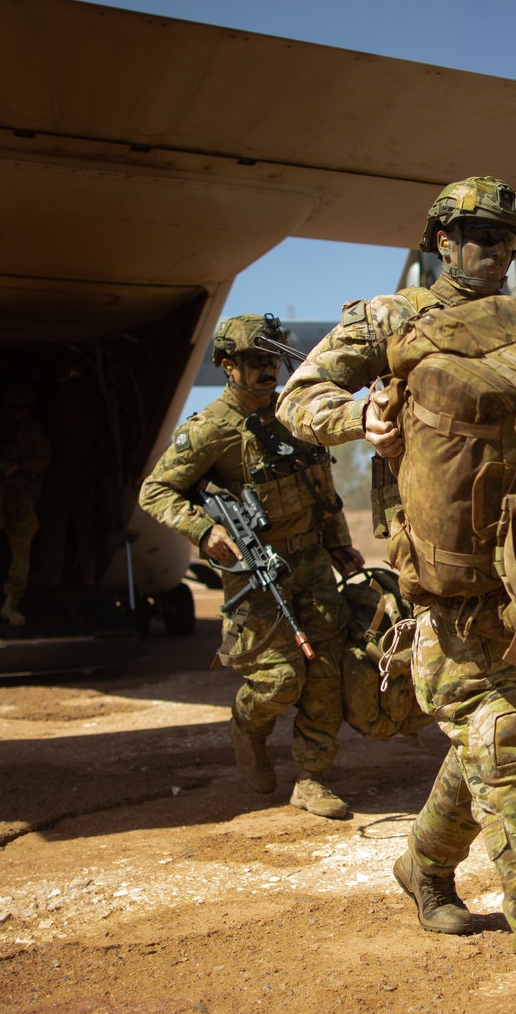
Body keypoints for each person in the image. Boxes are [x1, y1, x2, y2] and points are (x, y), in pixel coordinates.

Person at [277, 179, 516, 1014]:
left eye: (506, 237)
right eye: (474, 233)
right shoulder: (387, 320)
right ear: (441, 239)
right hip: (446, 605)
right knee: (511, 754)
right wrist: (361, 411)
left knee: (497, 747)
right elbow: (298, 402)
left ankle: (421, 865)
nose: (491, 248)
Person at [140, 314, 364, 818]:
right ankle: (248, 727)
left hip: (312, 562)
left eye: (271, 359)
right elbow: (155, 490)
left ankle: (312, 779)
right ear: (226, 366)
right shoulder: (211, 429)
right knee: (279, 680)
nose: (267, 370)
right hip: (259, 571)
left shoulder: (293, 412)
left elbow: (319, 487)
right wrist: (203, 530)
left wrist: (338, 542)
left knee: (327, 671)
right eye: (253, 361)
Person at [0, 383, 51, 627]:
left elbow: (43, 461)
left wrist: (18, 467)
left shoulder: (33, 432)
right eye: (13, 406)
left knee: (21, 547)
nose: (18, 411)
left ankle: (11, 602)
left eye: (24, 407)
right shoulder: (0, 429)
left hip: (19, 495)